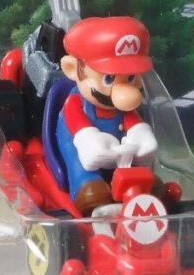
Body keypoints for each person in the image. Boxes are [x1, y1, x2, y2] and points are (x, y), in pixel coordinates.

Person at [54, 16, 159, 215]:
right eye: (109, 78)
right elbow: (79, 128)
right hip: (77, 144)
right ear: (72, 69)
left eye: (130, 78)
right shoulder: (75, 103)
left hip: (120, 150)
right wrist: (92, 142)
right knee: (80, 162)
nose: (125, 91)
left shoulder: (124, 107)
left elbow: (133, 122)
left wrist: (141, 138)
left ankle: (142, 183)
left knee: (139, 162)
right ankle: (85, 184)